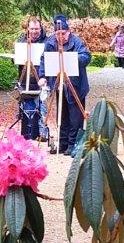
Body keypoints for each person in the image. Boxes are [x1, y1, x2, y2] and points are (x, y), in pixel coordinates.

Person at [38, 14, 91, 155]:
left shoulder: (77, 42)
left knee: (75, 117)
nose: (61, 36)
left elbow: (86, 57)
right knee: (62, 115)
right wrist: (43, 76)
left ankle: (73, 145)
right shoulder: (50, 43)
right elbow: (44, 59)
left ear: (68, 31)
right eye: (58, 34)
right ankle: (62, 143)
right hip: (59, 84)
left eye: (63, 33)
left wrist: (72, 59)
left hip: (76, 85)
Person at [16, 16, 47, 141]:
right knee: (27, 106)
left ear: (41, 28)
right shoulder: (22, 40)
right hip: (25, 78)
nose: (34, 31)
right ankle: (28, 132)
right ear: (28, 28)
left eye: (37, 29)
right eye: (32, 29)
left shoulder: (47, 41)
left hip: (41, 77)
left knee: (42, 106)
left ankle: (42, 132)